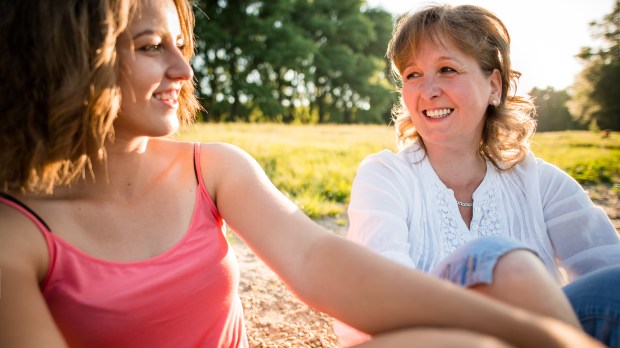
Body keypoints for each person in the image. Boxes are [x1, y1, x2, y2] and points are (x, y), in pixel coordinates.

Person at [0, 1, 606, 347]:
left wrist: (536, 336)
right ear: (73, 57)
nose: (184, 67)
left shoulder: (210, 167)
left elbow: (317, 263)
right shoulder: (16, 236)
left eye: (182, 43)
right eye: (151, 45)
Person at [339, 3, 620, 347]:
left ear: (494, 87)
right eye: (413, 74)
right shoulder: (384, 177)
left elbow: (605, 266)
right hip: (427, 341)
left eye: (447, 69)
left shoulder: (541, 182)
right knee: (495, 255)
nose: (428, 90)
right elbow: (382, 296)